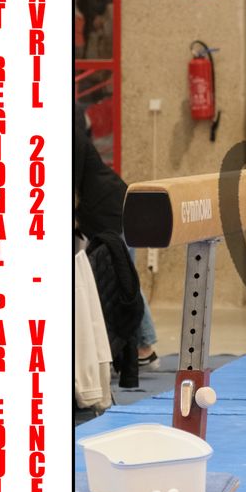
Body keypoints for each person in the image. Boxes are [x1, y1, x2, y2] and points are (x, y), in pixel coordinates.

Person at [75, 106, 160, 371]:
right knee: (121, 280)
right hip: (109, 211)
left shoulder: (72, 138)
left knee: (124, 280)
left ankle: (144, 346)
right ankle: (135, 347)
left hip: (113, 212)